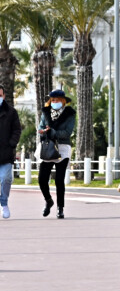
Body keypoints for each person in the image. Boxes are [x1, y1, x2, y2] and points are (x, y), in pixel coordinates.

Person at [38, 90, 75, 220]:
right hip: (48, 147)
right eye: (53, 100)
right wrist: (42, 132)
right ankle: (48, 201)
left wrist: (53, 132)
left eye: (57, 100)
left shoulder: (70, 114)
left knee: (59, 180)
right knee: (42, 179)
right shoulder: (46, 112)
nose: (55, 102)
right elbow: (40, 127)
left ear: (63, 101)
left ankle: (60, 208)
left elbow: (67, 132)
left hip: (63, 148)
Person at [0, 85, 22, 219]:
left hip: (6, 153)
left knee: (5, 178)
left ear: (3, 96)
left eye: (0, 95)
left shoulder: (11, 112)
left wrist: (12, 144)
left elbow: (17, 130)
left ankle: (4, 203)